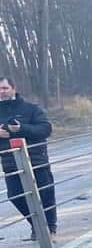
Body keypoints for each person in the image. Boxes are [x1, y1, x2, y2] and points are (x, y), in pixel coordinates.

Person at [0, 76, 56, 238]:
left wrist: (21, 129)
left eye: (5, 88)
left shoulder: (31, 109)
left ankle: (50, 228)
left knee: (45, 195)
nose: (2, 92)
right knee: (15, 196)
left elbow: (45, 130)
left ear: (13, 89)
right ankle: (37, 225)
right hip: (10, 163)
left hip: (36, 160)